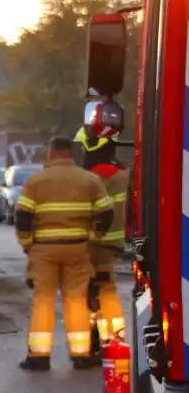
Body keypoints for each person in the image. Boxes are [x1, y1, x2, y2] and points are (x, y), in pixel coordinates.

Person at [14, 136, 114, 371]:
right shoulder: (89, 180)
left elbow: (22, 216)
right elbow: (107, 214)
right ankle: (81, 355)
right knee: (76, 300)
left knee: (43, 300)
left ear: (51, 153)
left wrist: (28, 244)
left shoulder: (36, 181)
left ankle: (39, 356)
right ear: (71, 154)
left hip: (44, 250)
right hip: (77, 248)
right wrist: (93, 238)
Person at [74, 127, 129, 352]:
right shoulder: (125, 174)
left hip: (88, 244)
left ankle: (88, 343)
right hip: (112, 246)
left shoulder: (86, 178)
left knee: (84, 295)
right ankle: (113, 342)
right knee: (108, 293)